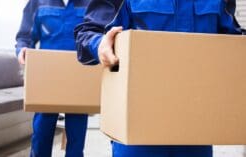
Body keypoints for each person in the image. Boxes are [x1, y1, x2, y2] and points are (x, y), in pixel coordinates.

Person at [74, 0, 243, 157]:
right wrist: (100, 44)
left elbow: (232, 46)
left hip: (196, 131)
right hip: (138, 132)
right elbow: (86, 34)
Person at [15, 0, 90, 157]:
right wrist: (22, 49)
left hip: (79, 79)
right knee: (42, 132)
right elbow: (24, 37)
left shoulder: (90, 2)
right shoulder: (37, 2)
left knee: (76, 137)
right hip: (47, 78)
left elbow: (97, 34)